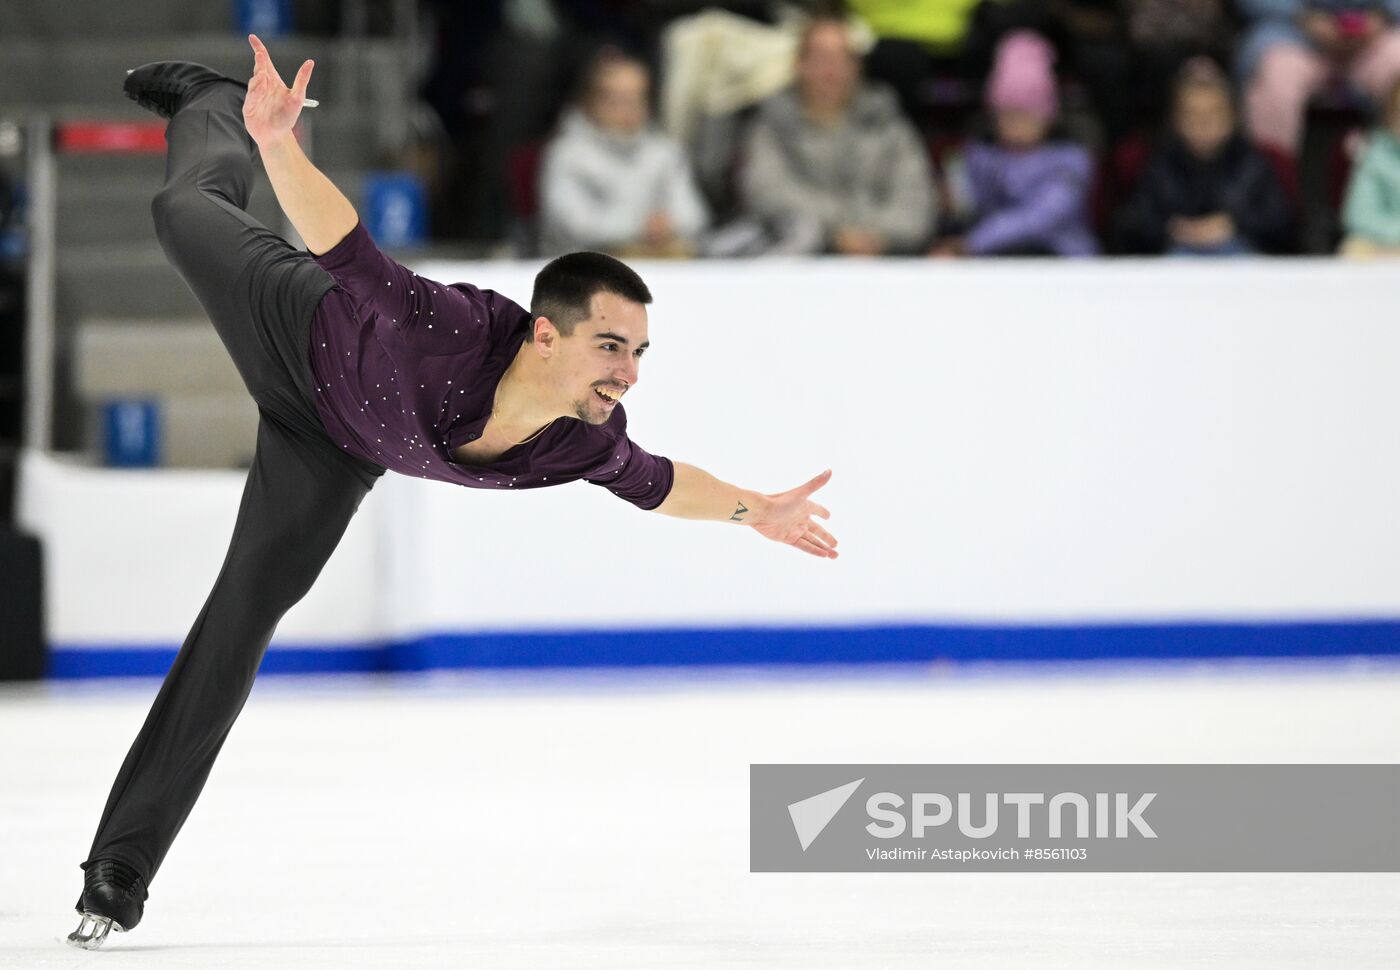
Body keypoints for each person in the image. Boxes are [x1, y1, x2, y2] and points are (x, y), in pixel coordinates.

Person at [67, 39, 839, 950]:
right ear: (545, 337)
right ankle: (212, 98)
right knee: (181, 205)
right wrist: (279, 146)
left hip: (329, 446)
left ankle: (120, 868)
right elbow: (348, 252)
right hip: (296, 321)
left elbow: (665, 485)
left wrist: (759, 511)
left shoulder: (584, 439)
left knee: (242, 616)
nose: (627, 374)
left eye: (637, 355)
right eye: (610, 347)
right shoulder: (458, 326)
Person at [737, 16, 936, 256]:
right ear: (799, 63)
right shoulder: (771, 125)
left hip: (883, 262)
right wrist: (839, 232)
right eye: (820, 57)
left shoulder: (890, 126)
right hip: (795, 259)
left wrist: (873, 237)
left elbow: (916, 205)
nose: (831, 69)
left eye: (842, 58)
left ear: (858, 66)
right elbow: (767, 192)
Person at [935, 31, 1098, 257]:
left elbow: (1039, 218)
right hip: (995, 262)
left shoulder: (1069, 162)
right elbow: (968, 208)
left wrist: (973, 243)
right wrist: (952, 197)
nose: (1016, 126)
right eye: (1007, 115)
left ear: (1047, 118)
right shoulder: (981, 156)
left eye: (1027, 116)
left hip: (1059, 258)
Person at [539, 48, 709, 257]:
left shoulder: (665, 152)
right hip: (585, 271)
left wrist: (666, 225)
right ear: (591, 102)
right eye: (618, 100)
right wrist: (639, 227)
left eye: (638, 98)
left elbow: (694, 215)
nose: (629, 109)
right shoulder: (566, 154)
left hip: (658, 262)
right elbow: (575, 225)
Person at [1117, 58, 1294, 255]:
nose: (1203, 124)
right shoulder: (1160, 164)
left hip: (1241, 253)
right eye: (1192, 114)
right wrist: (1173, 227)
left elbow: (1280, 225)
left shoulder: (1254, 165)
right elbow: (1134, 223)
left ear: (1233, 117)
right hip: (1176, 254)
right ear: (1176, 119)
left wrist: (1233, 224)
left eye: (1213, 113)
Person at [1239, 0, 1400, 155]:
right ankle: (1270, 176)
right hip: (1295, 36)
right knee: (1275, 74)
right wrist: (1306, 17)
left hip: (1377, 38)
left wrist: (1380, 16)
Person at [1340, 76, 1400, 253]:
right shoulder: (1376, 155)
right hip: (1388, 243)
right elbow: (1358, 216)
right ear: (1389, 117)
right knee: (1354, 248)